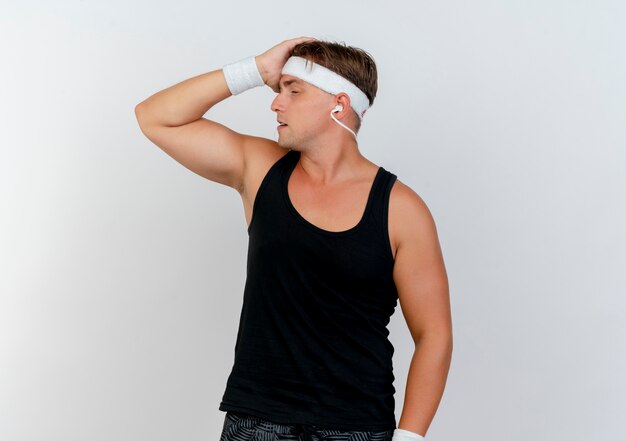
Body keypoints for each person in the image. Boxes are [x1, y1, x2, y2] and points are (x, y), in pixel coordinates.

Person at [135, 36, 452, 441]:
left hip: (355, 426)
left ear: (339, 104)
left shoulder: (401, 210)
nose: (275, 102)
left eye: (293, 91)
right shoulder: (259, 168)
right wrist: (255, 70)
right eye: (278, 89)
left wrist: (410, 438)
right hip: (257, 421)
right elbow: (154, 117)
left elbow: (434, 335)